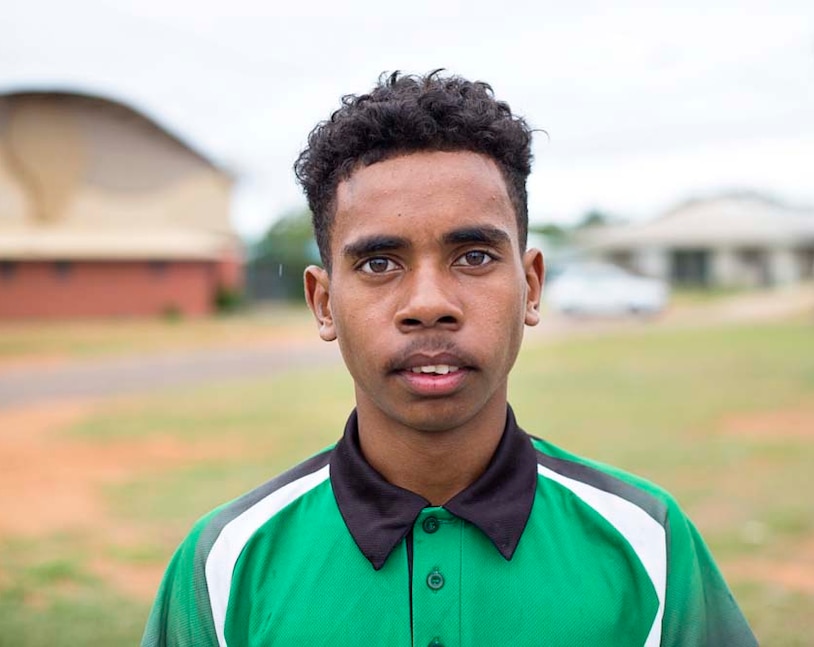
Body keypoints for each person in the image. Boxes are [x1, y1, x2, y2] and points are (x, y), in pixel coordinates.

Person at [141, 70, 758, 647]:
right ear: (324, 304)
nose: (429, 305)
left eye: (474, 257)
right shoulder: (224, 566)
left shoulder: (649, 545)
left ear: (532, 287)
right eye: (379, 263)